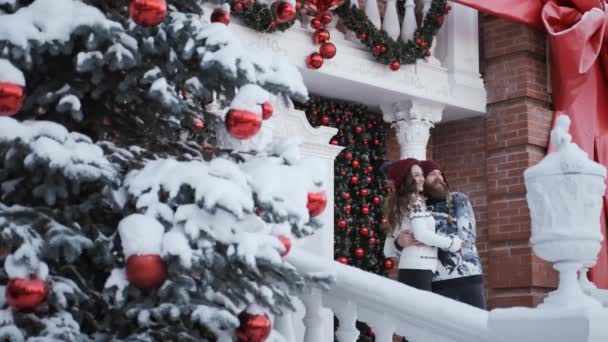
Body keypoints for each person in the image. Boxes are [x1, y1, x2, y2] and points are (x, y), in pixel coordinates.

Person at [394, 160, 486, 309]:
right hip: (434, 281)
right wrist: (399, 242)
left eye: (440, 174)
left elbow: (467, 238)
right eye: (431, 174)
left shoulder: (458, 199)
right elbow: (407, 246)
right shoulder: (416, 205)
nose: (438, 177)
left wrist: (423, 236)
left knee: (477, 328)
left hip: (468, 278)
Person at [382, 158, 462, 292]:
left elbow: (388, 249)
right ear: (406, 179)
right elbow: (422, 235)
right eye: (416, 175)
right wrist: (452, 243)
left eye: (422, 174)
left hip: (414, 266)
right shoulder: (414, 200)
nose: (422, 179)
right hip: (419, 267)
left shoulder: (400, 202)